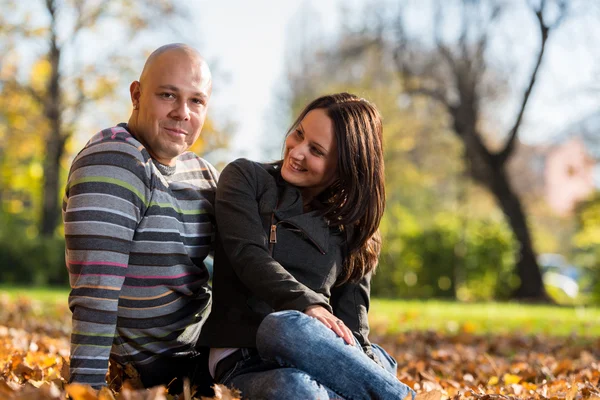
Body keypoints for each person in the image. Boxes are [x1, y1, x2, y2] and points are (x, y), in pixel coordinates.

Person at [200, 93, 415, 399]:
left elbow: (352, 323)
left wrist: (363, 359)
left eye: (315, 150)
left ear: (345, 166)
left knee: (359, 359)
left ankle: (378, 385)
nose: (297, 151)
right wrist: (307, 304)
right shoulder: (246, 178)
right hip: (245, 360)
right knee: (285, 336)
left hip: (319, 357)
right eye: (299, 134)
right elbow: (247, 254)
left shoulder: (352, 226)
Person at [62, 43, 217, 392]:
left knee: (294, 339)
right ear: (136, 95)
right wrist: (86, 391)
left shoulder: (204, 174)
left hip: (212, 350)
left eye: (197, 101)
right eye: (167, 95)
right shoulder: (115, 160)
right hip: (159, 369)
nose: (183, 112)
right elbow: (96, 291)